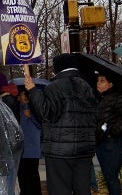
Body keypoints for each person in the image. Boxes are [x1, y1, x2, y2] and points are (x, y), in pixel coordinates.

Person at [25, 53, 98, 195]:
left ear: (57, 68)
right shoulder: (88, 87)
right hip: (84, 149)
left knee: (60, 189)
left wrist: (33, 91)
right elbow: (96, 116)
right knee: (82, 188)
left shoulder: (54, 87)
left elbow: (45, 112)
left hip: (59, 150)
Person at [94, 73, 122, 195]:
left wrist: (113, 132)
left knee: (111, 175)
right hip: (101, 142)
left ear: (110, 84)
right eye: (97, 81)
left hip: (115, 142)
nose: (98, 83)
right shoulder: (100, 98)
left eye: (102, 81)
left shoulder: (118, 97)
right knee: (108, 176)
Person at [16, 88, 42, 195]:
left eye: (27, 95)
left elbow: (41, 126)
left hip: (33, 149)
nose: (25, 96)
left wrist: (31, 116)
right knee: (22, 175)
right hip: (21, 149)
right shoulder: (16, 111)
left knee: (33, 174)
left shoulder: (35, 109)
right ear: (18, 98)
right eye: (23, 94)